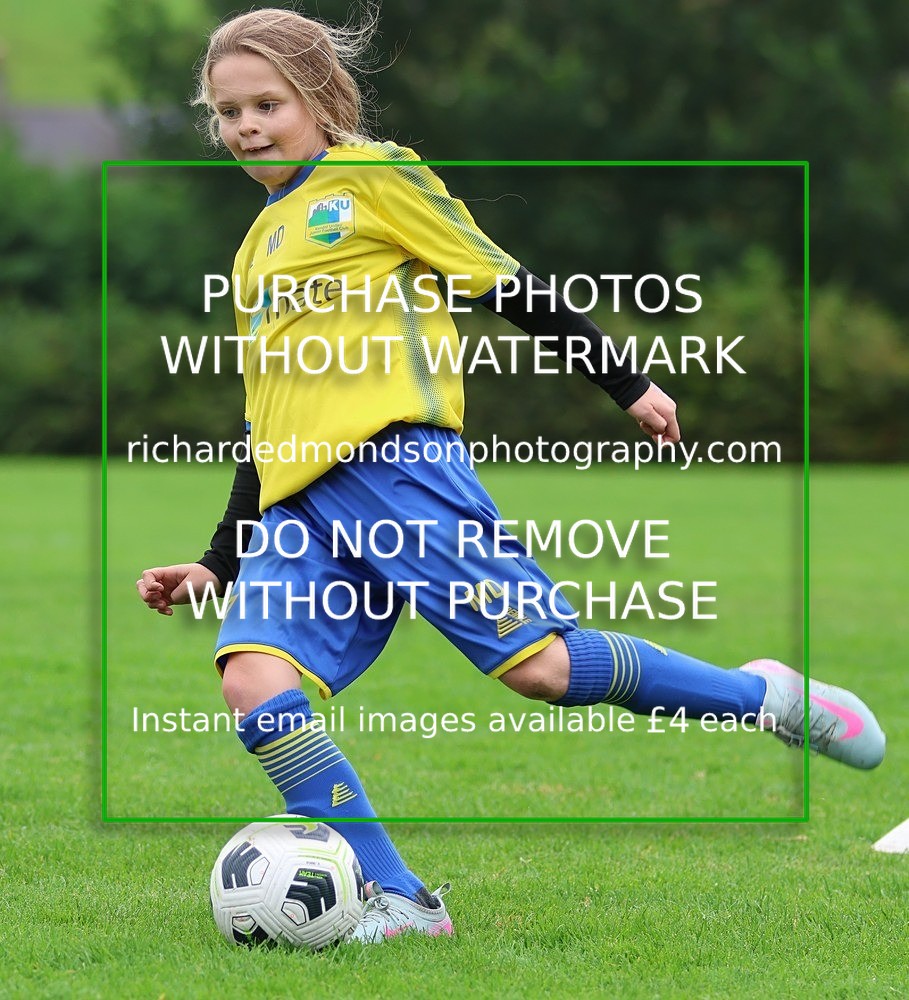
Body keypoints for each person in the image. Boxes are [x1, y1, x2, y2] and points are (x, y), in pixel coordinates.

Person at [137, 6, 885, 944]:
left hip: (398, 473)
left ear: (320, 99)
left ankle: (765, 697)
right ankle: (404, 902)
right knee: (252, 682)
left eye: (266, 105)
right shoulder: (254, 247)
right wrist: (218, 560)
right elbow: (266, 418)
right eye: (228, 112)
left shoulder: (374, 178)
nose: (247, 127)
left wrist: (624, 381)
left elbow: (502, 281)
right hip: (302, 508)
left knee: (541, 668)